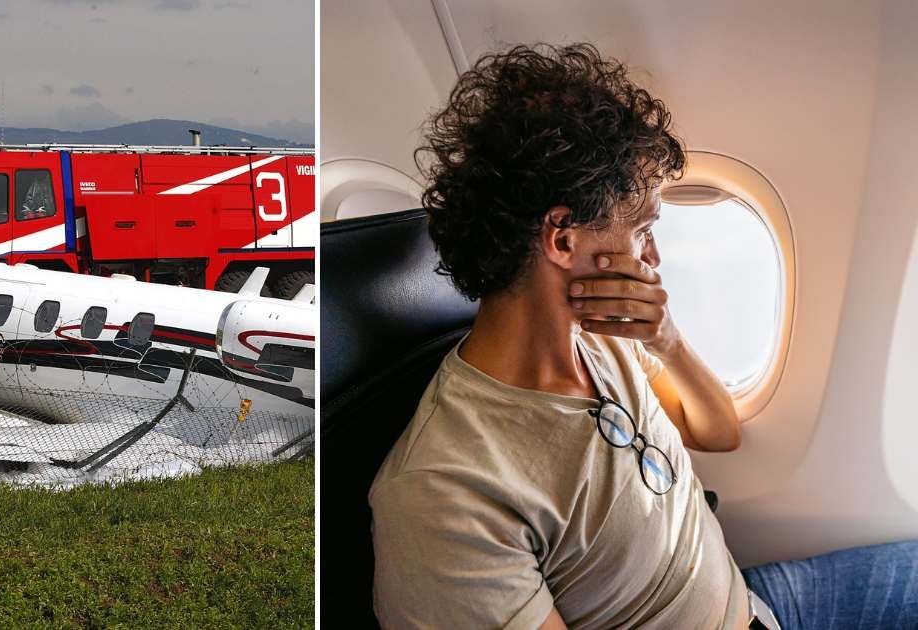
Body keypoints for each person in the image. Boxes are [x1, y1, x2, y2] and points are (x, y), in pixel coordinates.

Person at [369, 43, 918, 630]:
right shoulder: (447, 493)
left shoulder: (606, 340)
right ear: (562, 238)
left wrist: (668, 340)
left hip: (760, 603)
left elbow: (719, 431)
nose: (653, 258)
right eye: (644, 228)